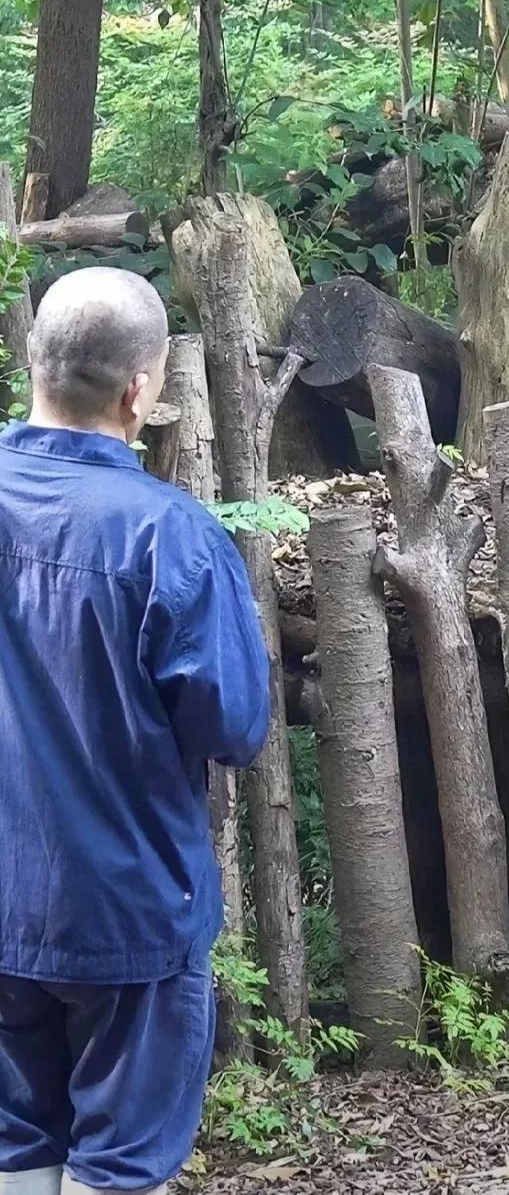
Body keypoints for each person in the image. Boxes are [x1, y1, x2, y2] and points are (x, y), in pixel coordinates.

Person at [0, 268, 271, 1195]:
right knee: (119, 1168)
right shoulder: (172, 538)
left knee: (13, 1150)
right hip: (128, 914)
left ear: (33, 362)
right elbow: (234, 727)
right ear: (141, 391)